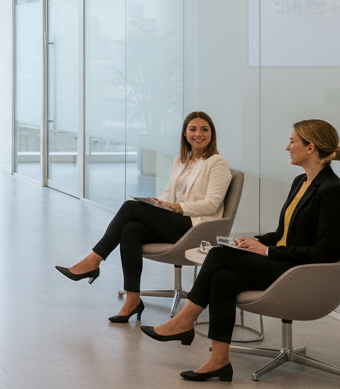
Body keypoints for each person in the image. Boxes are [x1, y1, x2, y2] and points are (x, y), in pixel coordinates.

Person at [141, 119, 340, 382]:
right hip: (282, 261)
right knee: (223, 279)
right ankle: (219, 362)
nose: (287, 147)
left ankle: (185, 320)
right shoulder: (300, 181)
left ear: (311, 148)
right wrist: (254, 241)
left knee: (219, 255)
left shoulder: (332, 190)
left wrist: (267, 252)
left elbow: (326, 251)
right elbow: (283, 235)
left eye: (292, 142)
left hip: (298, 272)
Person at [56, 112, 230, 323]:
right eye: (193, 129)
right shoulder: (181, 160)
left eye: (204, 129)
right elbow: (169, 192)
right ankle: (133, 300)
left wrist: (178, 207)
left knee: (130, 207)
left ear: (212, 134)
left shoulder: (217, 163)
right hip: (176, 220)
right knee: (130, 230)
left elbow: (212, 204)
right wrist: (159, 203)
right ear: (185, 133)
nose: (198, 134)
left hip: (195, 228)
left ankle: (93, 260)